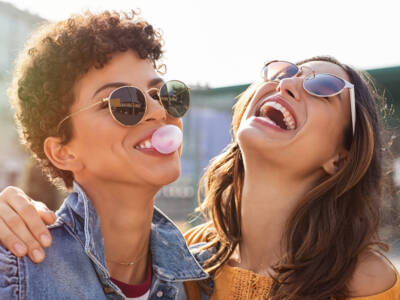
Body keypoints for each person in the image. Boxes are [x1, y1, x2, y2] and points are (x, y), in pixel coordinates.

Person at [0, 56, 398, 298]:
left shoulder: (369, 282)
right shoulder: (185, 263)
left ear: (340, 158)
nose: (288, 83)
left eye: (323, 86)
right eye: (283, 71)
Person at [0, 10, 207, 300]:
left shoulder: (204, 279)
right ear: (63, 152)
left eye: (163, 95)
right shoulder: (14, 271)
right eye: (124, 102)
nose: (159, 111)